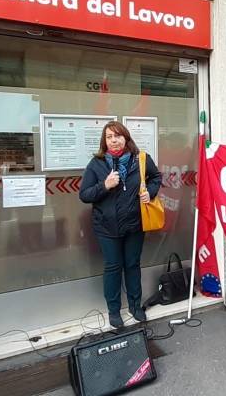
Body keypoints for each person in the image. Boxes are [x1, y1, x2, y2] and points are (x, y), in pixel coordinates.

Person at [80, 121, 162, 329]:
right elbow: (84, 195)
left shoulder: (141, 159)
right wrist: (104, 186)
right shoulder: (96, 164)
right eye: (109, 137)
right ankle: (114, 311)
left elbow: (156, 177)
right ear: (104, 141)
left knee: (132, 265)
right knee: (113, 267)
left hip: (135, 224)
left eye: (117, 135)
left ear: (126, 138)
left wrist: (149, 192)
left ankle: (135, 307)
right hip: (107, 228)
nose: (114, 140)